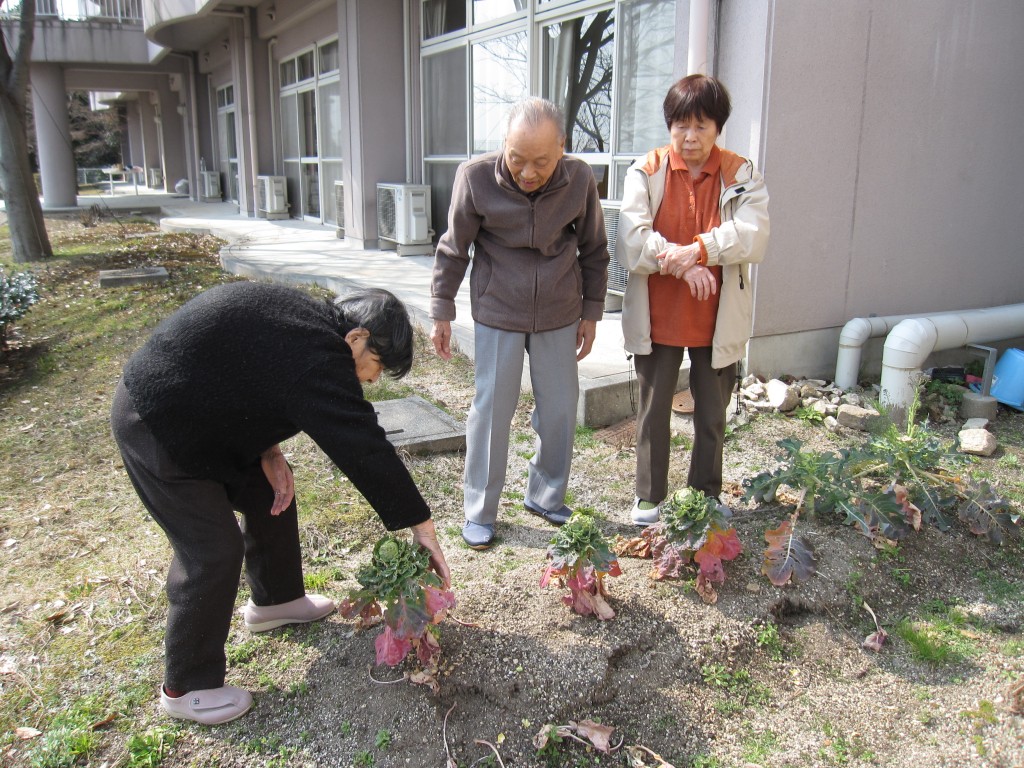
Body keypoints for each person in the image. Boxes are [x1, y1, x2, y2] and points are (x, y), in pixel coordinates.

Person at [110, 281, 451, 725]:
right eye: (376, 365)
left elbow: (252, 374)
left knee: (270, 489)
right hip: (156, 420)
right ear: (356, 338)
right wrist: (420, 525)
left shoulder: (305, 324)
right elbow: (362, 445)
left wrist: (267, 450)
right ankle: (186, 687)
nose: (370, 379)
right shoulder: (318, 355)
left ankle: (275, 600)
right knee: (212, 550)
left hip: (196, 411)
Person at [430, 97, 609, 550]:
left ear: (562, 149)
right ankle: (479, 511)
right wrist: (442, 308)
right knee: (491, 412)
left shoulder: (580, 179)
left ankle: (546, 496)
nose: (527, 172)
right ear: (503, 145)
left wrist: (591, 311)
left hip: (558, 310)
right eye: (516, 158)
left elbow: (594, 250)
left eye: (541, 162)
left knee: (561, 409)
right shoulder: (474, 178)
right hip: (498, 310)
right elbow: (454, 248)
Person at [618, 74, 770, 525]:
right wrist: (682, 261)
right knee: (652, 412)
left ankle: (704, 494)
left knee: (711, 414)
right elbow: (631, 238)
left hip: (717, 319)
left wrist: (702, 248)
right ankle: (650, 496)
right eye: (680, 125)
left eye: (701, 126)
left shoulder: (741, 173)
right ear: (669, 126)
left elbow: (754, 234)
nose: (690, 137)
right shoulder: (646, 170)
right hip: (659, 315)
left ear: (718, 127)